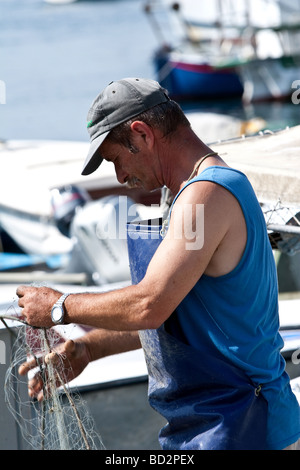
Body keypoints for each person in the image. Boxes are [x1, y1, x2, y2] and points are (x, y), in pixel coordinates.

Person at [16, 77, 300, 450]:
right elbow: (176, 314)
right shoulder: (187, 195)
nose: (120, 177)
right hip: (211, 424)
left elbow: (150, 304)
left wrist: (58, 307)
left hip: (249, 424)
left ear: (142, 133)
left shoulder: (208, 194)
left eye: (116, 159)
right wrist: (90, 349)